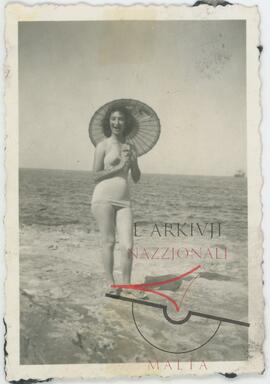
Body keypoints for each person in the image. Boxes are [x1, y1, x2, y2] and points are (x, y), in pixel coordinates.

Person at [91, 104, 145, 297]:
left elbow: (136, 178)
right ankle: (111, 285)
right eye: (113, 119)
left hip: (124, 201)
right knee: (108, 242)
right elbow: (95, 176)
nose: (116, 122)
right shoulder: (103, 145)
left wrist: (134, 162)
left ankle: (127, 286)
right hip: (102, 198)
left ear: (126, 122)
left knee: (128, 245)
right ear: (109, 122)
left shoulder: (130, 147)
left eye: (120, 119)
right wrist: (119, 165)